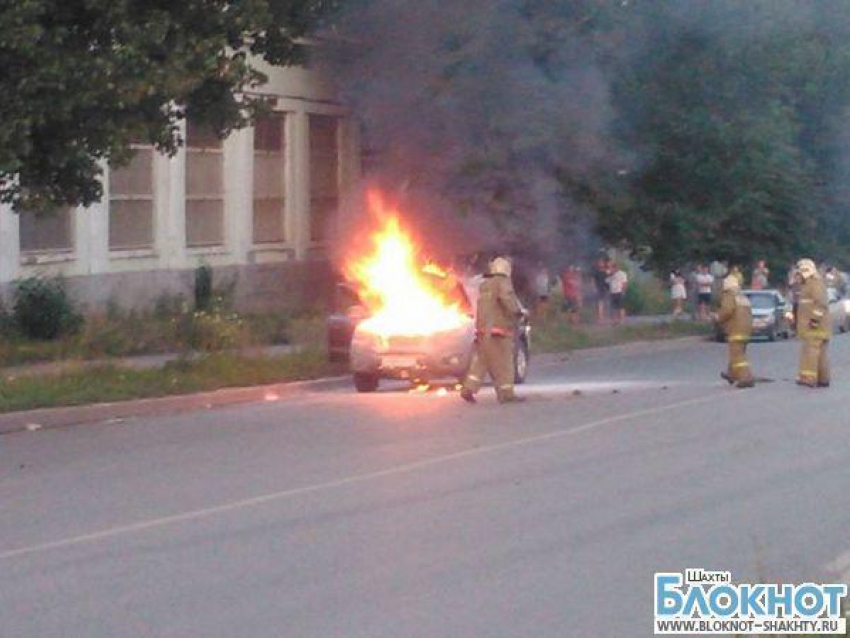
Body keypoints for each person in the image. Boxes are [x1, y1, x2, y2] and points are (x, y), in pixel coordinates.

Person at [461, 256, 527, 404]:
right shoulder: (502, 282)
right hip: (499, 331)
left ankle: (468, 389)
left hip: (483, 330)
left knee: (481, 362)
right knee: (504, 363)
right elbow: (507, 299)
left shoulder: (485, 284)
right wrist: (518, 312)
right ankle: (506, 394)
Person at [795, 258, 831, 388]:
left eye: (800, 272)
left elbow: (821, 304)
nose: (798, 275)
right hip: (818, 326)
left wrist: (814, 320)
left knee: (810, 352)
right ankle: (823, 379)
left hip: (814, 325)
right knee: (820, 354)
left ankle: (809, 378)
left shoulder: (814, 283)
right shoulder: (810, 283)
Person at [715, 275, 754, 388]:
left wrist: (718, 317)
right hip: (746, 330)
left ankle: (745, 377)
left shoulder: (729, 295)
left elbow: (727, 310)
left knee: (738, 355)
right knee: (737, 353)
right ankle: (731, 374)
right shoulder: (742, 297)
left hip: (735, 328)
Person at [593, 253, 610, 323]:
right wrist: (593, 287)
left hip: (606, 288)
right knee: (599, 302)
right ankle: (600, 317)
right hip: (598, 288)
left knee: (606, 302)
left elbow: (610, 278)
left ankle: (604, 316)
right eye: (599, 262)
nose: (600, 263)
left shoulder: (607, 271)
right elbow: (592, 280)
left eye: (602, 262)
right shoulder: (596, 271)